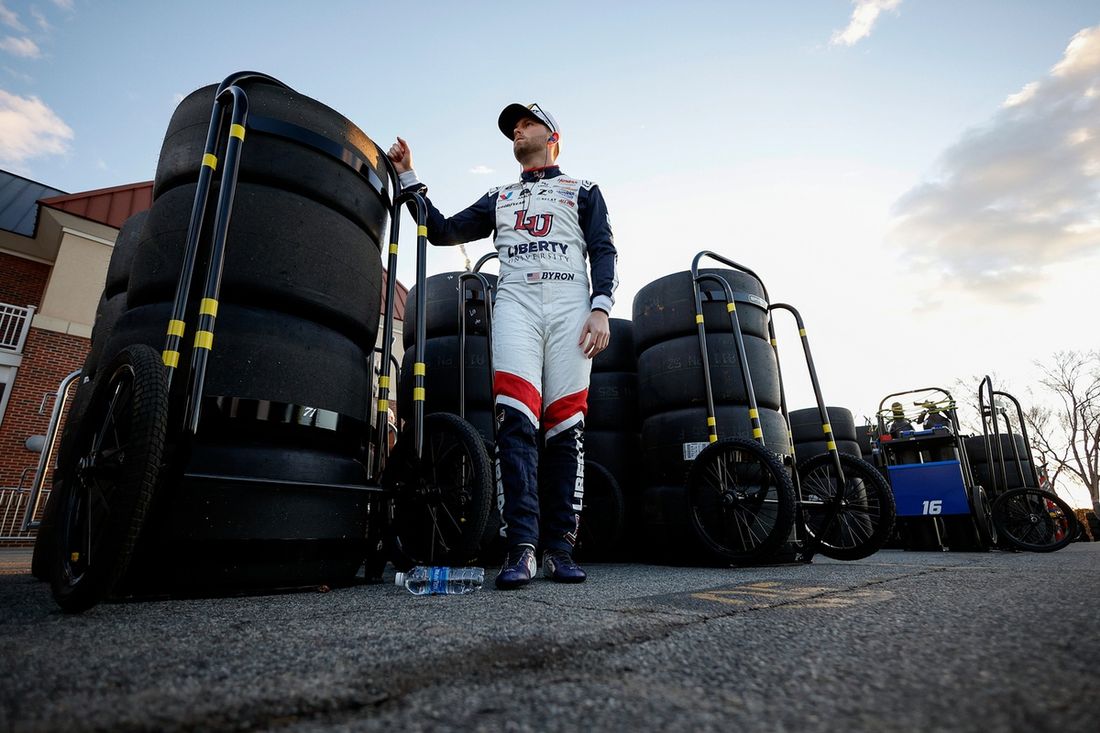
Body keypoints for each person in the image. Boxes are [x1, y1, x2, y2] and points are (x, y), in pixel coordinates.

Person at [387, 102, 618, 590]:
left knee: (566, 426)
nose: (517, 130)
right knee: (515, 422)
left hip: (571, 308)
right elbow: (444, 230)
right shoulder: (500, 196)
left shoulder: (584, 190)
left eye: (527, 123)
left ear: (552, 135)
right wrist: (409, 178)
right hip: (515, 305)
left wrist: (601, 307)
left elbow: (603, 248)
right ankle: (522, 547)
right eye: (512, 127)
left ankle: (560, 547)